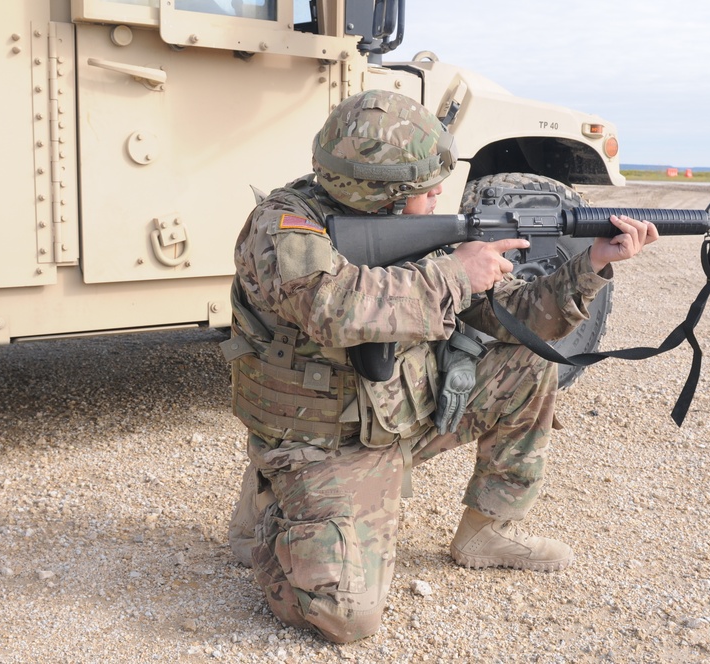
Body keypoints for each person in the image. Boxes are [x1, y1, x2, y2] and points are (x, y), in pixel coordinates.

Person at [223, 89, 657, 644]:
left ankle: (486, 532)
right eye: (425, 189)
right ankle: (272, 507)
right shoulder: (281, 227)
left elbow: (508, 319)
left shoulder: (420, 232)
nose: (438, 196)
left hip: (400, 413)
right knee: (347, 619)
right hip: (322, 441)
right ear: (379, 198)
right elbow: (334, 309)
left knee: (527, 361)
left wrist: (592, 265)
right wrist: (455, 274)